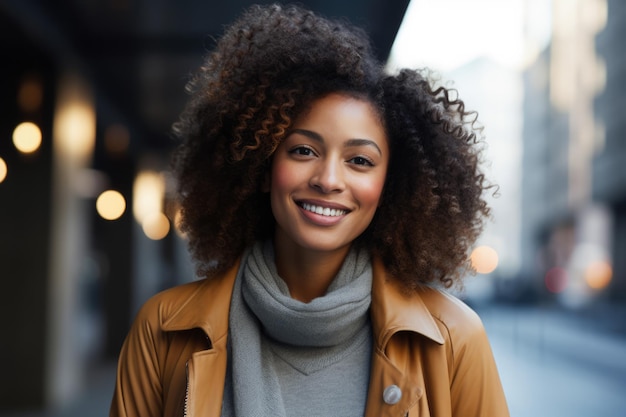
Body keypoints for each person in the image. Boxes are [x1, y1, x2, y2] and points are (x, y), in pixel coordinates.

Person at [109, 3, 509, 417]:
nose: (328, 179)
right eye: (303, 150)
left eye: (360, 161)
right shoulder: (164, 330)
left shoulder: (453, 339)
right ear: (263, 166)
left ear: (390, 186)